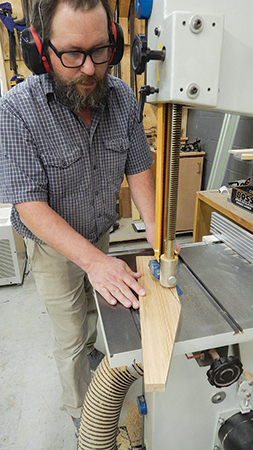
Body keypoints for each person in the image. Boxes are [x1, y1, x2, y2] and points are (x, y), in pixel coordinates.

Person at [0, 0, 156, 432]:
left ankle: (95, 351)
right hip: (51, 248)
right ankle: (80, 415)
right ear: (40, 50)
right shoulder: (17, 110)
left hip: (100, 231)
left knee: (98, 309)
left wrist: (159, 234)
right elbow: (29, 204)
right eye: (72, 54)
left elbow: (139, 166)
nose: (89, 69)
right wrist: (93, 263)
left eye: (100, 50)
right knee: (70, 335)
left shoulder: (121, 96)